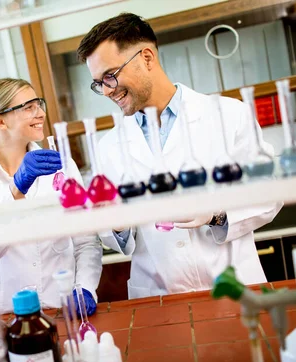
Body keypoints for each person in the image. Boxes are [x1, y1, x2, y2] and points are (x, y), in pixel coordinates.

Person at [77, 13, 283, 299]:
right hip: (157, 296)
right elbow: (114, 236)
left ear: (147, 57)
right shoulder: (109, 146)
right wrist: (116, 223)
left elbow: (271, 191)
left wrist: (216, 214)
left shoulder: (229, 115)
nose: (107, 91)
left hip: (234, 286)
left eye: (110, 76)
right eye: (99, 83)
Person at [0, 78, 102, 314]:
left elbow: (85, 240)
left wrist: (84, 287)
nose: (40, 113)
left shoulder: (62, 165)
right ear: (0, 120)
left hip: (61, 308)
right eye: (28, 107)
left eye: (39, 104)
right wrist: (16, 189)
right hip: (4, 313)